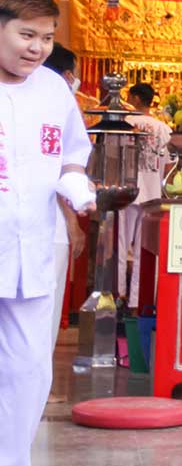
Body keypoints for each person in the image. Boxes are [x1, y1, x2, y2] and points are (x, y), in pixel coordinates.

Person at [0, 0, 95, 466]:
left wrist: (76, 185)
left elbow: (72, 156)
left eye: (46, 37)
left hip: (34, 245)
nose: (36, 48)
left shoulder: (54, 92)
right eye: (26, 34)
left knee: (29, 365)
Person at [41, 44, 87, 351]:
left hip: (47, 223)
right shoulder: (56, 103)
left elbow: (67, 164)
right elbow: (59, 168)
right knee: (43, 314)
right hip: (48, 226)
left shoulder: (56, 101)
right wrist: (72, 223)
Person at [119, 82, 171, 309]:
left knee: (121, 245)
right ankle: (136, 300)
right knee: (143, 248)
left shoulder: (126, 123)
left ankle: (117, 293)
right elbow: (169, 165)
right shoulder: (163, 128)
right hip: (152, 193)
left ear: (137, 99)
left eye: (130, 96)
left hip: (127, 191)